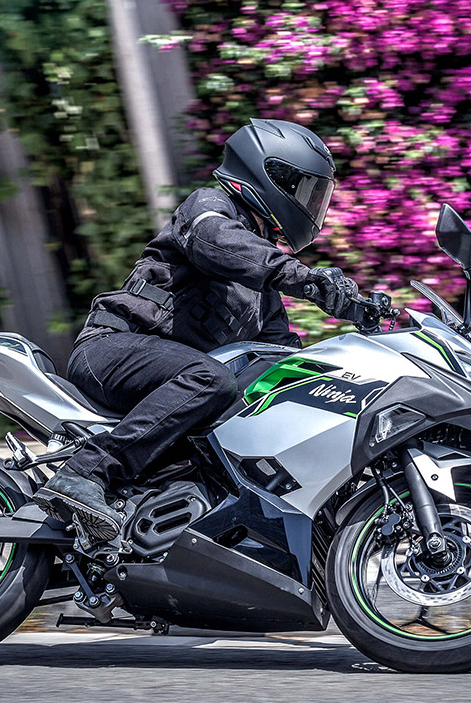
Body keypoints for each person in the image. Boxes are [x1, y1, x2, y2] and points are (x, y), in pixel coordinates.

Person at [33, 118, 363, 544]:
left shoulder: (263, 292)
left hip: (168, 376)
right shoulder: (209, 208)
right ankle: (85, 472)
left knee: (246, 408)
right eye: (303, 189)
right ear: (269, 174)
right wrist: (309, 280)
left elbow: (287, 361)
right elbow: (220, 242)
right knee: (211, 378)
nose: (311, 203)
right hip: (110, 350)